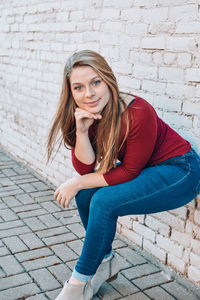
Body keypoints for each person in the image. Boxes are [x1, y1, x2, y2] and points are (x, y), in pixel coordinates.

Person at [47, 50, 200, 300]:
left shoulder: (138, 111)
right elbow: (85, 168)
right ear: (71, 92)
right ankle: (105, 260)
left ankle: (77, 283)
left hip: (181, 170)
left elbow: (128, 171)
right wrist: (82, 132)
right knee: (86, 194)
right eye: (78, 87)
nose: (89, 93)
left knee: (103, 201)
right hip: (147, 170)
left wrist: (76, 183)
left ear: (108, 79)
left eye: (96, 82)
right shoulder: (84, 113)